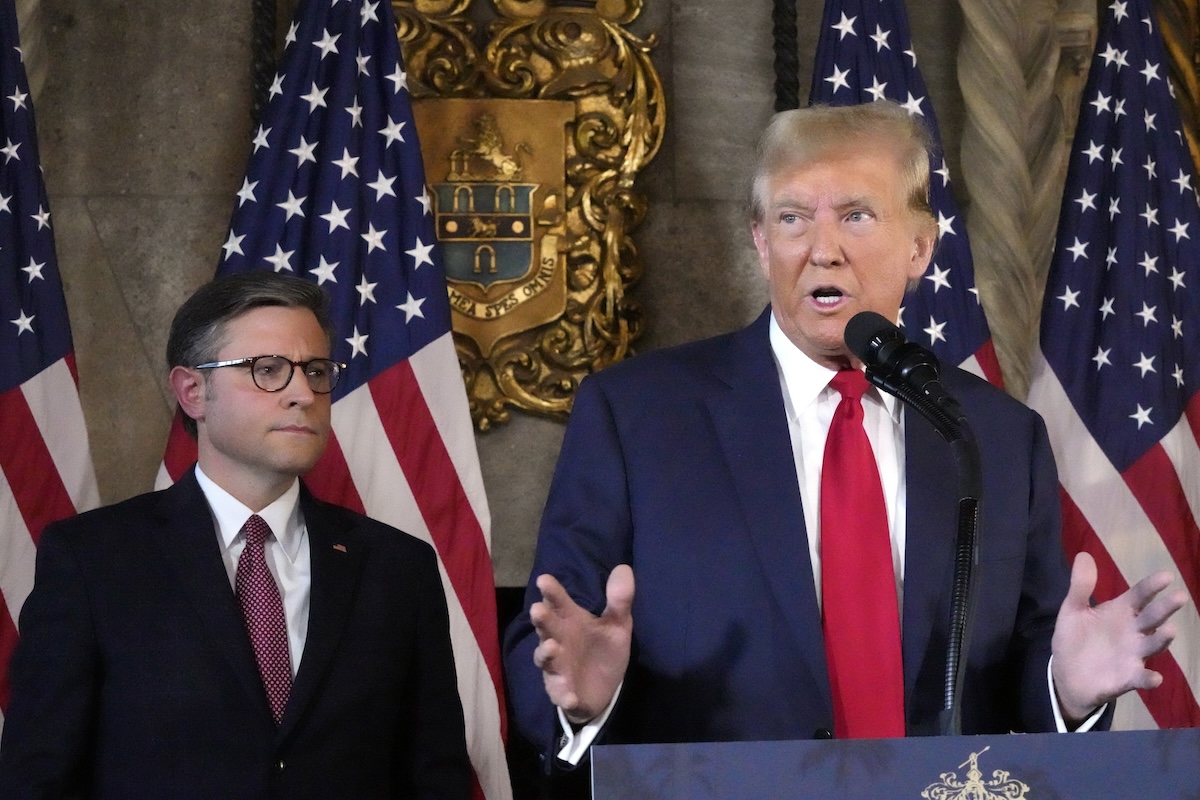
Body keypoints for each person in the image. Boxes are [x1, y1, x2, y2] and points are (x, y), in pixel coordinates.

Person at [502, 101, 1186, 784]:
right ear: (763, 243)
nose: (822, 248)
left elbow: (1025, 671)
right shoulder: (637, 416)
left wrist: (1066, 689)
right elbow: (552, 641)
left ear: (920, 247)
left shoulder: (995, 437)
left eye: (856, 215)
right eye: (793, 218)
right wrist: (586, 703)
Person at [0, 271, 471, 799]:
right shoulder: (93, 560)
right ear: (193, 391)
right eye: (268, 370)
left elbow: (436, 776)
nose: (302, 393)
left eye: (315, 371)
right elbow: (37, 777)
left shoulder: (397, 567)